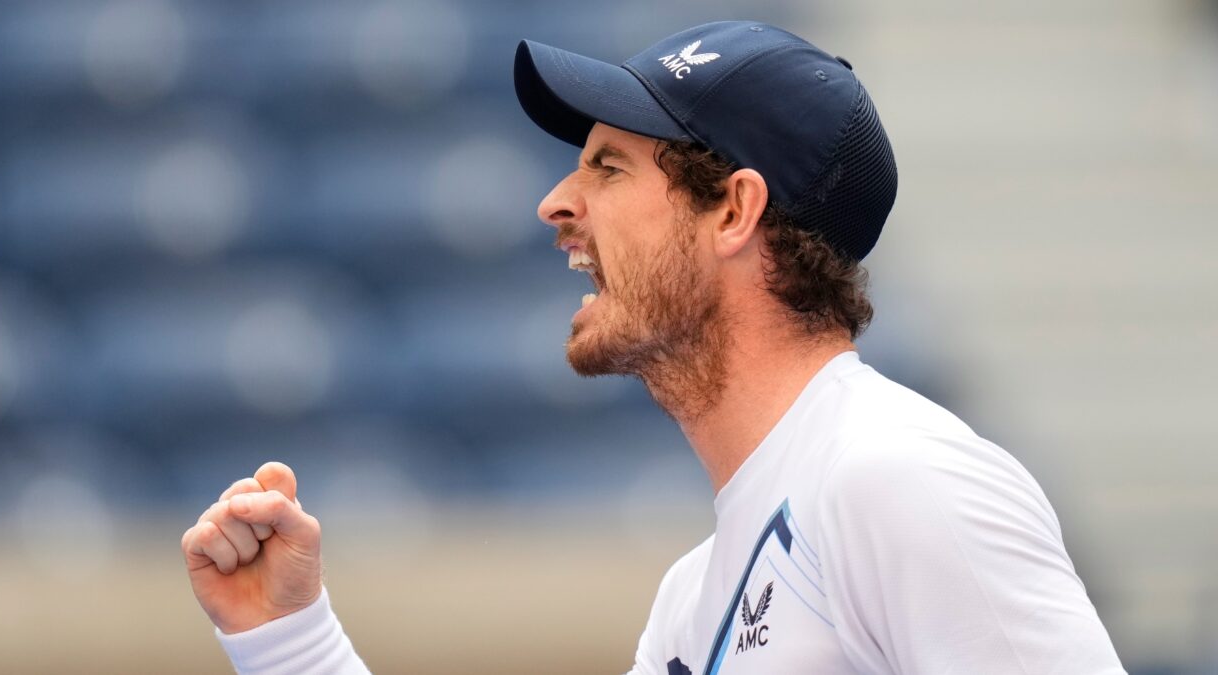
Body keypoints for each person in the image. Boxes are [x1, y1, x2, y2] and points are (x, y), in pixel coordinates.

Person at [181, 21, 1126, 674]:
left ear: (734, 210)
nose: (557, 201)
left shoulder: (900, 479)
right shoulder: (692, 596)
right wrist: (290, 640)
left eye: (608, 165)